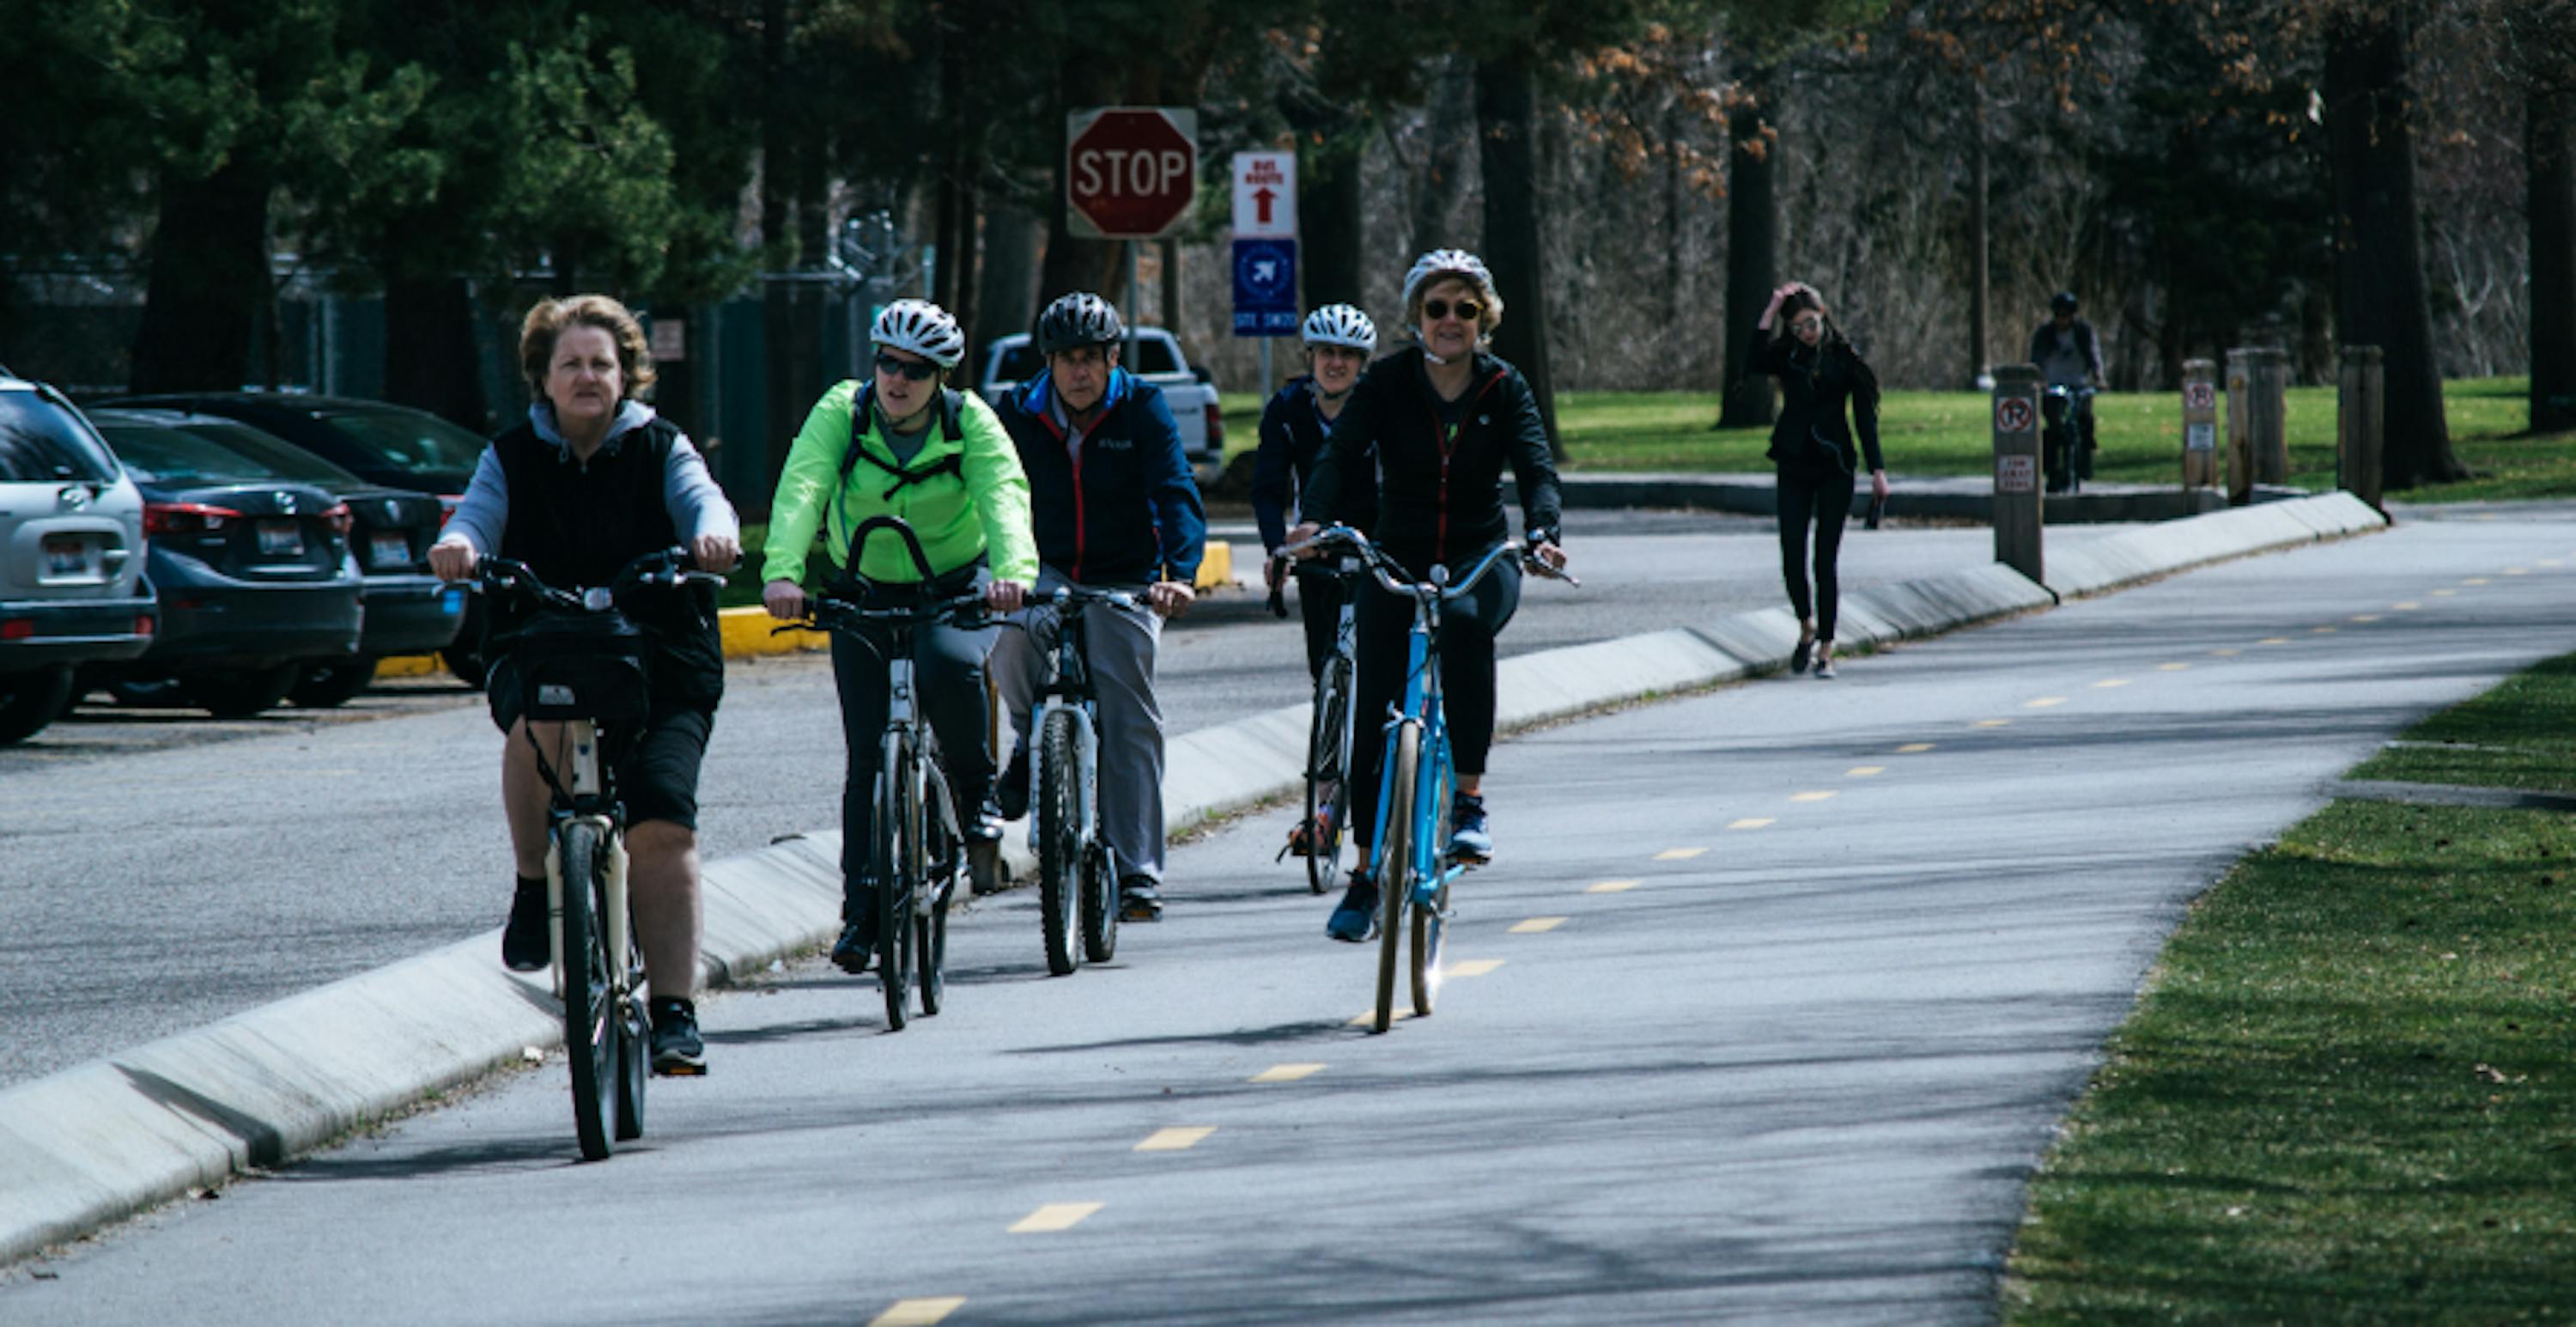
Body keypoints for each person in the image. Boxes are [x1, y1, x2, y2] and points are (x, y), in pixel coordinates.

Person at [430, 294, 742, 1075]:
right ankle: (536, 884)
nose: (587, 376)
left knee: (661, 824)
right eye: (570, 363)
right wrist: (459, 545)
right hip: (546, 646)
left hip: (662, 659)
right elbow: (475, 515)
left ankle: (674, 1012)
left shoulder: (660, 446)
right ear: (544, 376)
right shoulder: (510, 455)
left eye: (602, 363)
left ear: (627, 374)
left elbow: (704, 500)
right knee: (536, 724)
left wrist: (715, 536)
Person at [1286, 249, 1566, 944]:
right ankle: (1362, 876)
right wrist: (1315, 518)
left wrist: (1543, 530)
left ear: (1484, 319)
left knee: (1468, 627)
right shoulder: (1386, 384)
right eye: (1437, 308)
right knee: (1378, 701)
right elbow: (1339, 452)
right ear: (1417, 317)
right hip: (1397, 554)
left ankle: (1468, 804)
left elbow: (1535, 465)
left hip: (1479, 556)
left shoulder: (1504, 387)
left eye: (1464, 309)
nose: (1449, 321)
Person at [762, 299, 1037, 974]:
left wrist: (1013, 572)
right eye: (888, 362)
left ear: (941, 376)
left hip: (952, 585)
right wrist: (782, 572)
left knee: (948, 665)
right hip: (863, 588)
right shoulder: (842, 413)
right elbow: (804, 486)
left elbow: (1004, 494)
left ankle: (976, 795)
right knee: (865, 758)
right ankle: (860, 914)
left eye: (916, 369)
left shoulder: (969, 421)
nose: (898, 378)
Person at [987, 292, 1206, 923]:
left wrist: (1181, 576)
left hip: (1125, 575)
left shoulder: (1143, 406)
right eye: (1066, 359)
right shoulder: (1018, 411)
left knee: (1129, 713)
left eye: (1092, 357)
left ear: (1113, 358)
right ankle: (1032, 740)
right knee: (1014, 630)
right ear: (1047, 363)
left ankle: (1137, 870)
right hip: (1044, 564)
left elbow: (1175, 490)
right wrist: (1001, 572)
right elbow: (996, 493)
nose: (1079, 371)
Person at [1253, 304, 1379, 858]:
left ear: (1362, 363)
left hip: (1381, 544)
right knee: (1326, 678)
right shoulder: (1287, 408)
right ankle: (1326, 808)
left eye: (1348, 355)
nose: (1336, 363)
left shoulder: (1381, 407)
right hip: (1317, 548)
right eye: (1326, 352)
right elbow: (1266, 486)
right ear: (1310, 357)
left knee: (1382, 683)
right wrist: (1278, 546)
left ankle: (1387, 797)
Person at [1750, 280, 1886, 680]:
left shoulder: (1844, 359)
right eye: (1798, 328)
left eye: (1811, 324)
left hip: (1835, 466)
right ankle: (1806, 624)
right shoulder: (1786, 356)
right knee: (1791, 552)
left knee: (1824, 559)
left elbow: (1865, 418)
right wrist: (1771, 310)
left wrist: (1878, 471)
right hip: (1793, 462)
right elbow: (1753, 360)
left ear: (1823, 316)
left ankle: (1827, 646)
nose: (1807, 333)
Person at [2029, 289, 2104, 493]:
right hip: (2052, 385)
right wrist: (2040, 381)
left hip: (2078, 383)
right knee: (2054, 428)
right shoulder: (2045, 334)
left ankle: (2085, 458)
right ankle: (2052, 470)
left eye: (2066, 315)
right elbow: (2037, 360)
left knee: (2085, 419)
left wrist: (2098, 378)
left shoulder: (2083, 332)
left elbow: (2094, 355)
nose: (2062, 319)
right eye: (2059, 315)